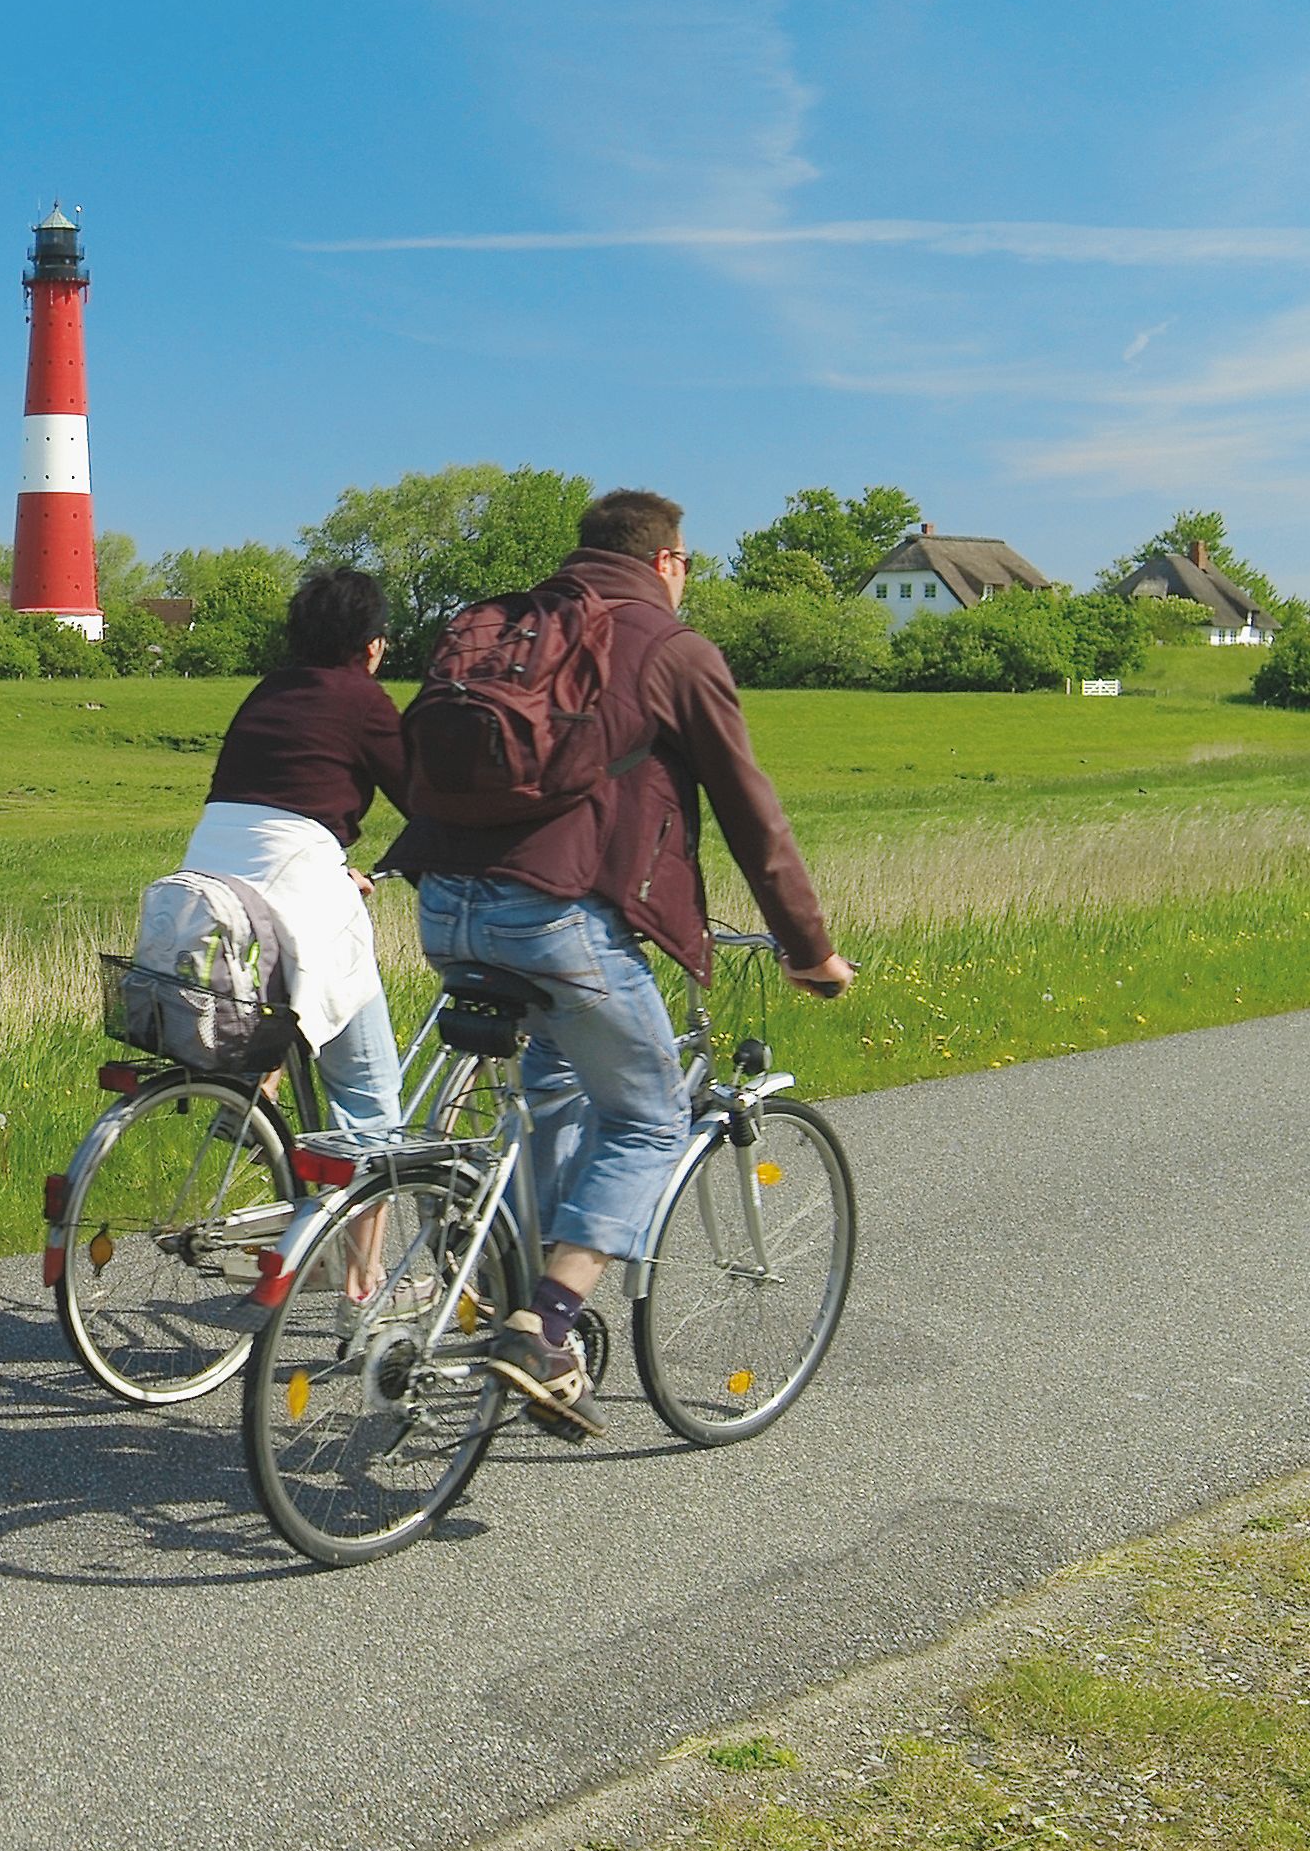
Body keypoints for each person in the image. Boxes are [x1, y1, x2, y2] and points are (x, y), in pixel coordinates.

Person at [381, 489, 855, 1438]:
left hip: (441, 904)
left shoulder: (510, 627)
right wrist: (809, 951)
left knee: (557, 1084)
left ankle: (516, 1283)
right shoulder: (672, 650)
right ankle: (542, 1323)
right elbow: (751, 815)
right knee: (647, 1118)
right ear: (669, 561)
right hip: (555, 922)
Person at [181, 566, 418, 1145]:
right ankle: (340, 1203)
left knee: (281, 1007)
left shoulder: (268, 691)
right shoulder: (363, 698)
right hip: (295, 892)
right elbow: (422, 796)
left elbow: (272, 807)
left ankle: (255, 1091)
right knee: (370, 1106)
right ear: (372, 645)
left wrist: (332, 873)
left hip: (214, 884)